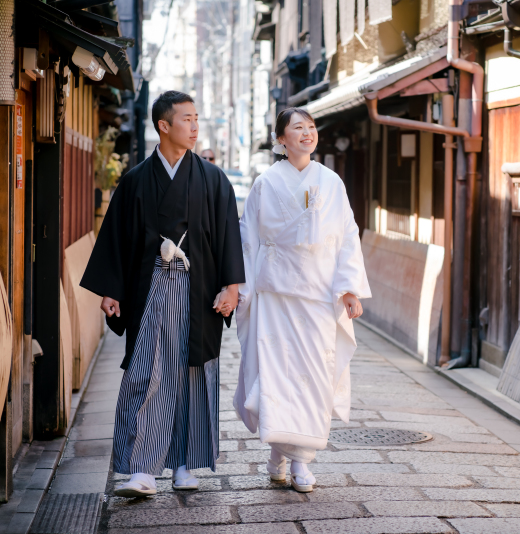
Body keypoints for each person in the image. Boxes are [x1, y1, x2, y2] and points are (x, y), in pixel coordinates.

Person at [80, 91, 245, 497]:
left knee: (192, 372)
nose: (194, 126)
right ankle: (143, 468)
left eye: (196, 118)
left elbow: (228, 235)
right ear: (163, 126)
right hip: (151, 285)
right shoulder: (136, 180)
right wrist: (111, 290)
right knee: (147, 370)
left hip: (197, 288)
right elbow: (117, 237)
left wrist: (232, 287)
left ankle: (184, 463)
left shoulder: (213, 179)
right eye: (186, 119)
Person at [233, 108, 371, 493]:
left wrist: (348, 288)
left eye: (311, 127)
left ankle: (300, 460)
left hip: (318, 295)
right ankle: (282, 454)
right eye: (298, 128)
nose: (307, 133)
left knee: (313, 377)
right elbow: (248, 238)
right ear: (281, 139)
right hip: (275, 295)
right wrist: (241, 289)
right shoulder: (265, 183)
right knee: (278, 376)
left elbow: (347, 234)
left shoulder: (331, 182)